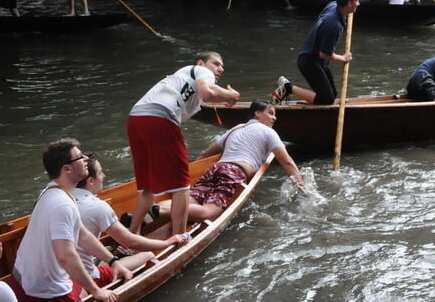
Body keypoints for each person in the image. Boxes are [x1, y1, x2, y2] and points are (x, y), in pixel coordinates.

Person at [126, 53, 240, 238]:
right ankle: (179, 239)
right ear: (202, 63)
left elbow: (207, 96)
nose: (220, 68)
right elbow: (208, 92)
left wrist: (226, 97)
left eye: (222, 66)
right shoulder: (202, 71)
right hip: (159, 118)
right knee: (181, 186)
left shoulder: (184, 80)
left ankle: (132, 234)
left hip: (136, 119)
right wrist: (232, 94)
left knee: (147, 186)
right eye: (216, 64)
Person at [9, 139, 129, 302]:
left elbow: (83, 235)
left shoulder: (52, 190)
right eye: (80, 158)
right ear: (67, 169)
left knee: (84, 281)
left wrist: (113, 260)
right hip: (43, 289)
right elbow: (66, 256)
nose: (86, 160)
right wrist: (96, 291)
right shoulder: (62, 204)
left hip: (23, 276)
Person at [160, 100, 305, 221]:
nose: (274, 118)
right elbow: (286, 161)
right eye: (271, 113)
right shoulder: (268, 131)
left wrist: (188, 176)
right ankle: (159, 212)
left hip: (214, 169)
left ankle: (154, 209)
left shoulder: (236, 128)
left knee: (190, 199)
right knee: (209, 213)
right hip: (234, 172)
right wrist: (302, 187)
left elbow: (205, 154)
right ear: (257, 113)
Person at [73, 156, 185, 285]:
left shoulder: (61, 197)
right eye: (100, 172)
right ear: (91, 181)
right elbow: (130, 242)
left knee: (110, 250)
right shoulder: (97, 206)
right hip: (84, 276)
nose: (103, 175)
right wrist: (166, 243)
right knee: (148, 255)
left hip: (63, 269)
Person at [272, 0, 360, 105]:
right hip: (309, 62)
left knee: (332, 95)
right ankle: (288, 87)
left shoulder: (333, 5)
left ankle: (313, 102)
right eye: (357, 0)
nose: (359, 4)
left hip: (317, 60)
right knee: (327, 100)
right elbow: (324, 54)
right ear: (349, 3)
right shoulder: (334, 24)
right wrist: (343, 58)